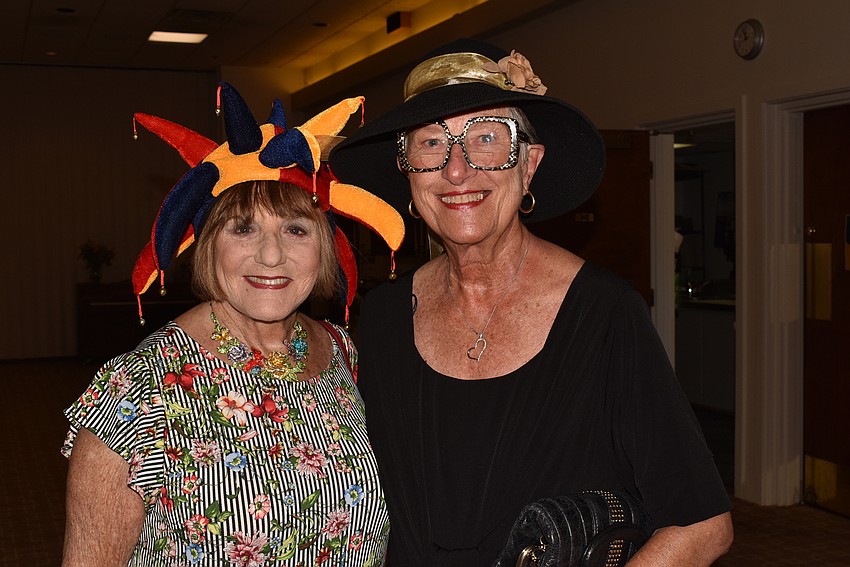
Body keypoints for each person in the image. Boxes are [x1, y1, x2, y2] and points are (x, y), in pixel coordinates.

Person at [329, 39, 733, 566]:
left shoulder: (605, 313)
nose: (457, 171)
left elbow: (702, 526)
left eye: (487, 139)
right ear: (407, 173)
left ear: (530, 165)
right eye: (431, 143)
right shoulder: (381, 317)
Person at [61, 83, 404, 566]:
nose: (271, 255)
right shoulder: (138, 395)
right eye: (243, 228)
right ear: (207, 244)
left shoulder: (344, 354)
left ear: (325, 247)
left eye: (296, 229)